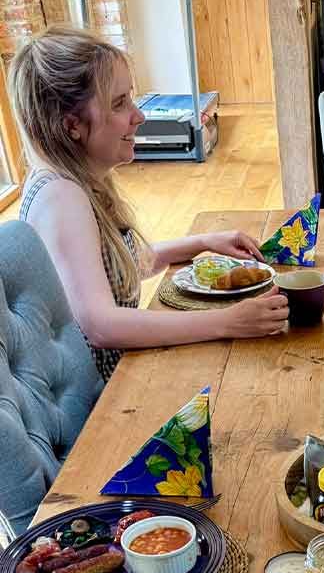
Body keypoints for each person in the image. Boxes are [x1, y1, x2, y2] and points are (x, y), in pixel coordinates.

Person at [9, 26, 289, 382]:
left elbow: (115, 271)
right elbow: (102, 325)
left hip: (124, 379)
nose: (138, 115)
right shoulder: (62, 198)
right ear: (72, 125)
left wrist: (203, 242)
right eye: (119, 103)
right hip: (106, 402)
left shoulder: (73, 181)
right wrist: (227, 322)